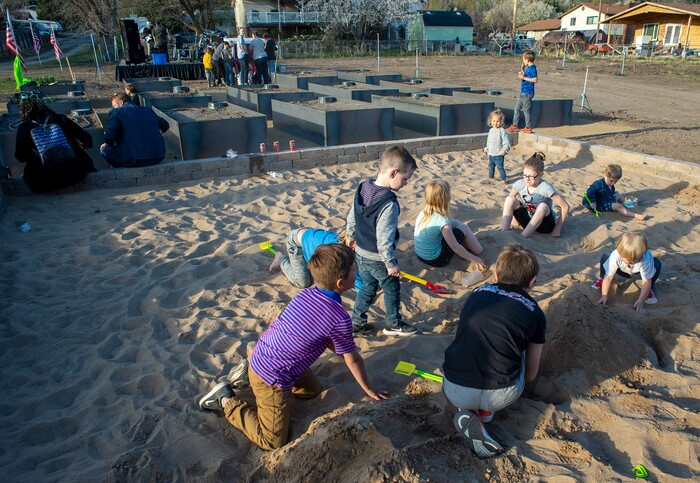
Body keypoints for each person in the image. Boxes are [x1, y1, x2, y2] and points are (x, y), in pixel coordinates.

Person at [197, 244, 389, 450]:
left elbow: (302, 330)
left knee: (311, 392)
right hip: (273, 377)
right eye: (353, 270)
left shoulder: (305, 294)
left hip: (265, 352)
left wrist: (339, 344)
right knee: (272, 441)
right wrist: (368, 388)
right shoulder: (338, 317)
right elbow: (352, 359)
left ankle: (247, 374)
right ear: (341, 283)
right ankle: (225, 399)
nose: (356, 272)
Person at [443, 244, 546, 458]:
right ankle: (485, 413)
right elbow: (531, 373)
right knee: (520, 353)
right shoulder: (535, 311)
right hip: (501, 394)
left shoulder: (476, 293)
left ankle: (474, 414)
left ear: (496, 274)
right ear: (533, 281)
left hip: (455, 387)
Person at [347, 145, 418, 337]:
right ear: (393, 172)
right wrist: (391, 263)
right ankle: (394, 323)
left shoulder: (363, 187)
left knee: (368, 287)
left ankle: (357, 321)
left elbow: (352, 215)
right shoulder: (389, 203)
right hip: (378, 258)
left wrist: (350, 236)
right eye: (405, 179)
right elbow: (384, 238)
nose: (405, 184)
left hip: (361, 252)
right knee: (392, 288)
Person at [14, 98, 96, 193]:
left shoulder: (23, 128)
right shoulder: (60, 119)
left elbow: (20, 156)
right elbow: (86, 138)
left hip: (42, 182)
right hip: (75, 174)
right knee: (71, 143)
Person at [414, 180, 486, 270]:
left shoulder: (423, 213)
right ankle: (472, 245)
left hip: (421, 255)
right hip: (437, 259)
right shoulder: (442, 221)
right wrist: (473, 258)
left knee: (455, 222)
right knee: (465, 229)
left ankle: (466, 240)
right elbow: (455, 247)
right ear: (445, 198)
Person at [501, 152, 570, 238]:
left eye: (531, 176)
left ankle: (522, 237)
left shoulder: (546, 187)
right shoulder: (519, 184)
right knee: (509, 198)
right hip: (528, 219)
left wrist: (557, 228)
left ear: (541, 175)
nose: (527, 179)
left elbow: (565, 206)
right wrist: (515, 218)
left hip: (544, 225)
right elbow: (511, 202)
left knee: (542, 206)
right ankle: (504, 233)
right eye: (524, 175)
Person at [269, 228, 362, 290]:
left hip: (311, 239)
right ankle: (280, 259)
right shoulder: (337, 252)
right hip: (296, 243)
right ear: (352, 244)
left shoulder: (348, 247)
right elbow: (359, 282)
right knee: (302, 282)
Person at [593, 231, 661, 312]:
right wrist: (604, 295)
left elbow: (646, 282)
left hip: (638, 272)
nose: (627, 261)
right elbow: (608, 277)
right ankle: (601, 279)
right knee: (606, 256)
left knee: (656, 264)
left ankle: (649, 290)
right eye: (624, 258)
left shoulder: (646, 259)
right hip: (621, 270)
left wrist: (640, 301)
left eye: (632, 260)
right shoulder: (616, 255)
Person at [100, 92, 170, 168]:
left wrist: (107, 143)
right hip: (158, 156)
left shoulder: (117, 112)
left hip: (136, 159)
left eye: (114, 106)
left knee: (104, 150)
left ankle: (122, 171)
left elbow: (110, 136)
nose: (114, 108)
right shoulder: (148, 110)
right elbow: (165, 125)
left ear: (120, 102)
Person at [506, 50, 538, 134]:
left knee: (526, 110)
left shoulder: (532, 68)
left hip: (528, 93)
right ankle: (514, 125)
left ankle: (528, 127)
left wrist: (523, 77)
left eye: (523, 59)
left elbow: (535, 79)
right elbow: (525, 77)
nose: (523, 61)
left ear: (527, 60)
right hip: (523, 92)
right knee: (517, 108)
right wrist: (522, 70)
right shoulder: (528, 68)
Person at [483, 108, 510, 184]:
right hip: (491, 153)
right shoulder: (491, 130)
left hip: (499, 154)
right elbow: (489, 142)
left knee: (500, 167)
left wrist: (504, 149)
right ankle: (491, 177)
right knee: (491, 167)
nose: (495, 123)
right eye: (494, 121)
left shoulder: (502, 131)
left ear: (501, 122)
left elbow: (506, 142)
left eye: (497, 121)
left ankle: (503, 179)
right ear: (490, 121)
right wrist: (486, 149)